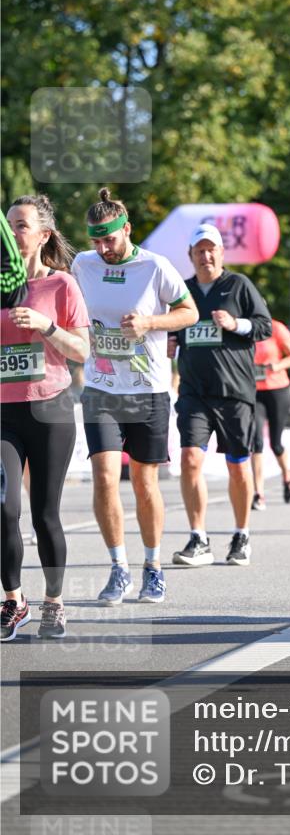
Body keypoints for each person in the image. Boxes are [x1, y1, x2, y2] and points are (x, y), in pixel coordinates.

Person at [72, 189, 198, 604]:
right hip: (102, 388)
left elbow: (189, 312)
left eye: (109, 239)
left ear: (126, 229)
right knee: (106, 477)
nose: (102, 248)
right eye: (96, 241)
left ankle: (153, 566)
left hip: (147, 390)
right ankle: (118, 568)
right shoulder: (83, 264)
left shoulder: (155, 266)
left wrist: (149, 322)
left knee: (144, 483)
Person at [1, 195, 90, 641]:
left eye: (22, 225)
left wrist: (45, 325)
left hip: (50, 408)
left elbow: (82, 351)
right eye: (9, 225)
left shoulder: (61, 286)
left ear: (43, 235)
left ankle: (54, 602)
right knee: (4, 507)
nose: (14, 233)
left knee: (44, 515)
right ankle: (13, 601)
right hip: (4, 413)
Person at [168, 224, 271, 566]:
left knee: (238, 467)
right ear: (191, 256)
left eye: (212, 249)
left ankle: (241, 535)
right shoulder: (182, 293)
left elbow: (264, 325)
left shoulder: (238, 286)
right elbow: (175, 334)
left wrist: (235, 324)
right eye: (200, 250)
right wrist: (170, 342)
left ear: (222, 253)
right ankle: (199, 538)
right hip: (195, 392)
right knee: (189, 460)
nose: (206, 255)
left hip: (234, 393)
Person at [251, 318, 290, 510]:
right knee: (255, 441)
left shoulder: (276, 328)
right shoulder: (241, 329)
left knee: (276, 443)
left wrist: (276, 366)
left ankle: (287, 474)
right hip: (253, 391)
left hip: (277, 389)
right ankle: (259, 493)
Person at [1, 207, 28, 309]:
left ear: (45, 236)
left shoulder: (63, 282)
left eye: (21, 226)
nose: (11, 233)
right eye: (7, 226)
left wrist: (47, 324)